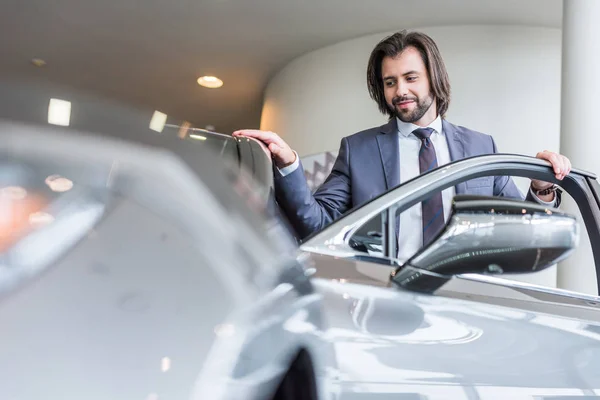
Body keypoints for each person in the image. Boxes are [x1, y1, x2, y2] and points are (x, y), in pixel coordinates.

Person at [233, 30, 571, 259]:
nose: (400, 91)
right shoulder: (358, 150)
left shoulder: (482, 146)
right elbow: (317, 225)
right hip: (386, 304)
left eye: (411, 78)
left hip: (472, 307)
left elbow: (523, 233)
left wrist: (541, 188)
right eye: (390, 82)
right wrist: (289, 162)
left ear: (434, 79)